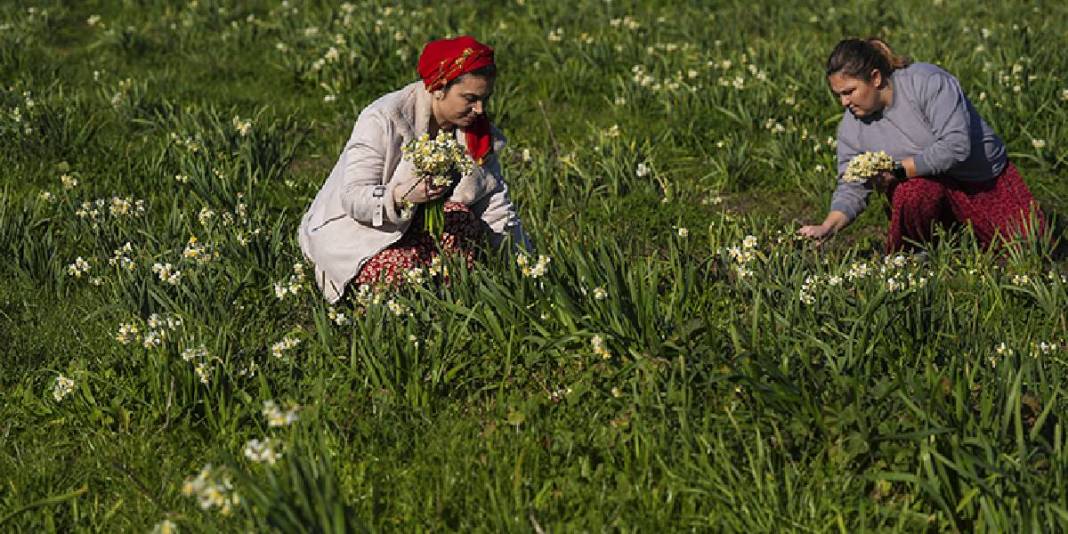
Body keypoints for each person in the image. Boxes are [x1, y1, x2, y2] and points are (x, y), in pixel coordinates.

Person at [299, 35, 530, 303]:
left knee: (463, 219)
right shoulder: (384, 118)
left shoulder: (475, 133)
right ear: (439, 88)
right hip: (363, 231)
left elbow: (495, 206)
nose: (479, 109)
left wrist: (525, 263)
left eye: (484, 98)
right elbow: (353, 198)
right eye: (470, 98)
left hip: (424, 232)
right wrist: (403, 195)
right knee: (403, 274)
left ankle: (447, 291)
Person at [799, 38, 1044, 252]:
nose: (843, 102)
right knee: (913, 191)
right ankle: (920, 251)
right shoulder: (851, 127)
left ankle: (969, 234)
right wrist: (828, 226)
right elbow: (851, 185)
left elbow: (957, 146)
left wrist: (897, 170)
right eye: (839, 95)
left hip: (982, 181)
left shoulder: (926, 82)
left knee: (1032, 247)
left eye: (849, 91)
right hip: (930, 189)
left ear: (875, 78)